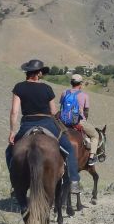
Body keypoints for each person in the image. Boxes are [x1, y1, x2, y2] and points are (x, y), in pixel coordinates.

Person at [5, 59, 81, 194]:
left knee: (9, 152)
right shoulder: (47, 88)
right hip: (47, 123)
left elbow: (14, 111)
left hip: (27, 123)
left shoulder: (19, 87)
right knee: (68, 147)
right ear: (38, 73)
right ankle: (74, 180)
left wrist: (12, 131)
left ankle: (15, 183)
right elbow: (53, 111)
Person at [61, 73, 99, 166]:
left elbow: (62, 107)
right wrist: (84, 120)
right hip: (78, 121)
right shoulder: (84, 95)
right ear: (80, 84)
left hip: (64, 121)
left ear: (71, 83)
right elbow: (86, 112)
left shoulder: (64, 93)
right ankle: (91, 158)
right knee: (95, 136)